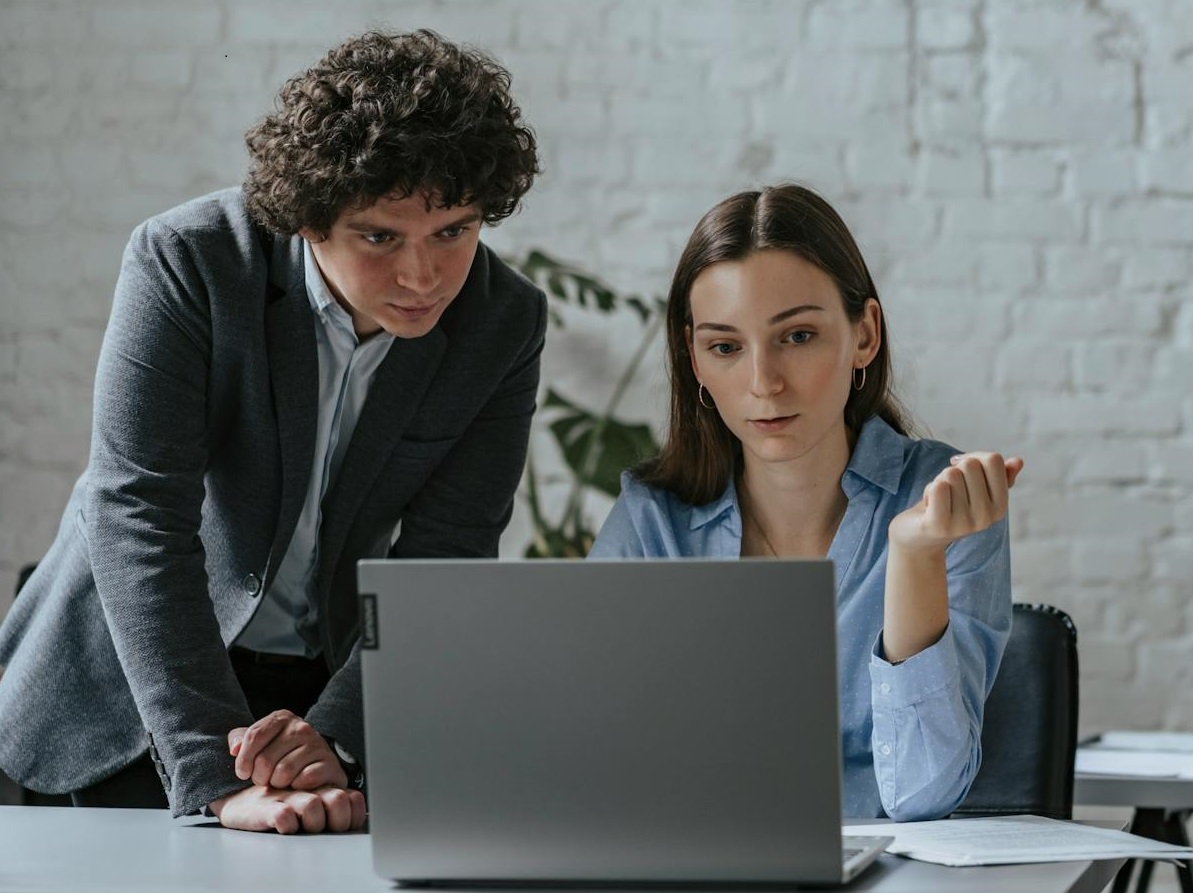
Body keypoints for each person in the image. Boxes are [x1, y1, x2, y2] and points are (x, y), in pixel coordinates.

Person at [0, 29, 544, 834]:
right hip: (126, 696)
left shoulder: (503, 322)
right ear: (309, 218)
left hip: (319, 702)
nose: (423, 277)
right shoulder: (188, 261)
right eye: (380, 236)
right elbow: (138, 515)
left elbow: (445, 556)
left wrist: (336, 737)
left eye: (453, 231)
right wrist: (215, 773)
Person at [589, 184, 1023, 822]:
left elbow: (922, 793)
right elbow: (597, 761)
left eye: (796, 336)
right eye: (726, 347)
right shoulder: (653, 520)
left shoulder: (944, 501)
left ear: (864, 335)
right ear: (696, 361)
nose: (764, 382)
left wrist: (914, 557)